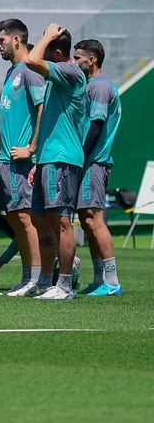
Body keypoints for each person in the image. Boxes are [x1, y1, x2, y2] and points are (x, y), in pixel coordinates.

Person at [25, 23, 86, 300]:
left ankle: (64, 285)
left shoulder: (70, 71)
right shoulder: (58, 77)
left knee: (61, 221)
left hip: (62, 158)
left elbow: (30, 60)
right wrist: (38, 159)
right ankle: (46, 281)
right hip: (48, 159)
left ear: (58, 52)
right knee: (42, 220)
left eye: (48, 47)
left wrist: (46, 37)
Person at [0, 18, 46, 297]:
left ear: (17, 40)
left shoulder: (31, 71)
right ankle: (27, 278)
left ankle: (38, 279)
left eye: (1, 40)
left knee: (26, 219)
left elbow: (43, 110)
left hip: (24, 163)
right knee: (15, 218)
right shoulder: (11, 74)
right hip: (7, 163)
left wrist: (31, 149)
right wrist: (1, 149)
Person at [72, 39, 122, 296]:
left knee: (94, 218)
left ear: (91, 60)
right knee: (86, 219)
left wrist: (80, 157)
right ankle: (99, 279)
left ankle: (111, 282)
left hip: (95, 161)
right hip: (89, 160)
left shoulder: (100, 86)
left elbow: (96, 125)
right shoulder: (90, 84)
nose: (74, 61)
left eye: (78, 57)